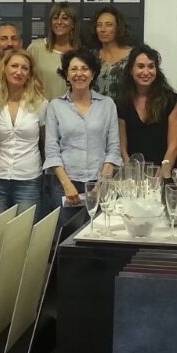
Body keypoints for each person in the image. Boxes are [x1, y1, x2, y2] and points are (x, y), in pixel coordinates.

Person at [44, 49, 121, 230]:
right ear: (66, 74)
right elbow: (52, 150)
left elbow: (113, 148)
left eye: (85, 69)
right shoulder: (55, 106)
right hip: (65, 184)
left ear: (93, 74)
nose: (79, 73)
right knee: (66, 236)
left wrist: (100, 185)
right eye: (74, 69)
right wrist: (67, 185)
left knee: (99, 234)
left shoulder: (107, 105)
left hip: (99, 183)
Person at [0, 49, 46, 215]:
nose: (19, 71)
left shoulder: (41, 104)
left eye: (24, 68)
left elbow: (45, 144)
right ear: (4, 69)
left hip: (29, 180)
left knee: (25, 230)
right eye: (14, 66)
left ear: (29, 74)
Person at [115, 44, 177, 175]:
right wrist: (130, 173)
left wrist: (163, 173)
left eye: (151, 66)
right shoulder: (122, 102)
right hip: (133, 175)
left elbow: (174, 146)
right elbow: (122, 148)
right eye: (140, 66)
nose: (146, 72)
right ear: (131, 70)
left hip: (164, 172)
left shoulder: (170, 101)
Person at [27, 2, 79, 99]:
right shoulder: (36, 48)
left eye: (65, 18)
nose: (59, 22)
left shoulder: (80, 54)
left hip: (70, 107)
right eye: (55, 18)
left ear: (73, 24)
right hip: (40, 106)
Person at [90, 5, 132, 99]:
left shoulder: (133, 56)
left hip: (124, 107)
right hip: (96, 107)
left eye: (109, 25)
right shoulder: (91, 57)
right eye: (99, 25)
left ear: (118, 28)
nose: (103, 30)